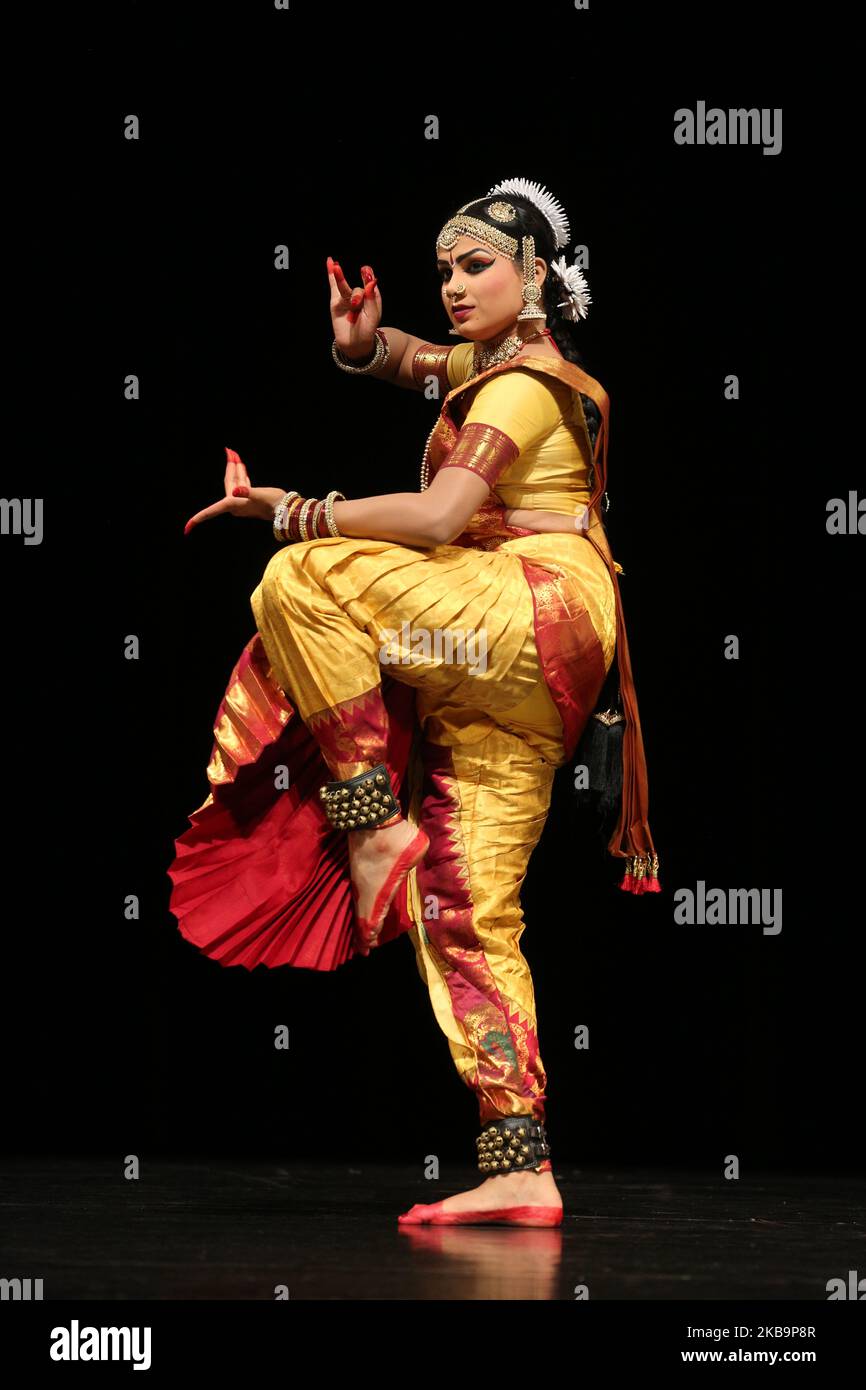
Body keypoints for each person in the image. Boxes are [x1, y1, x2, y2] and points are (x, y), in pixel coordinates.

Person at [168, 177, 660, 1228]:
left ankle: (368, 825)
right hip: (523, 671)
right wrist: (357, 343)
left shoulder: (528, 383)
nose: (450, 284)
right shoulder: (490, 366)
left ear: (534, 274)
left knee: (302, 577)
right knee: (464, 904)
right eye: (442, 267)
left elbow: (440, 518)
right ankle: (521, 1158)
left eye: (474, 264)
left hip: (529, 609)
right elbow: (409, 362)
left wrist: (296, 510)